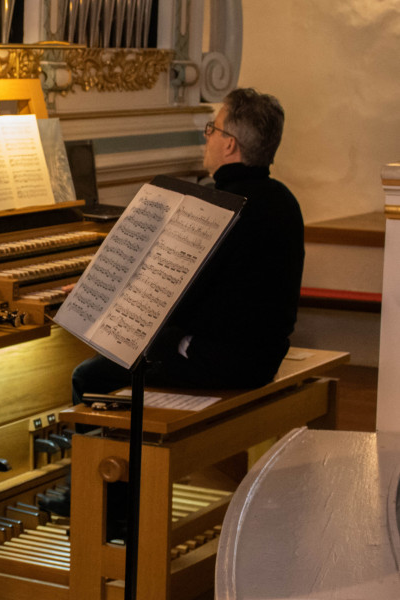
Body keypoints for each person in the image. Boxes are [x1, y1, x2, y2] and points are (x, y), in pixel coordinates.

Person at [41, 88, 305, 523]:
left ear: (229, 144)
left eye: (211, 130)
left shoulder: (218, 207)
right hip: (263, 355)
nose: (207, 139)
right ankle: (114, 493)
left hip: (221, 361)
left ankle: (103, 506)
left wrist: (100, 299)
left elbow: (172, 298)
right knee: (140, 349)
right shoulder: (283, 201)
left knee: (91, 377)